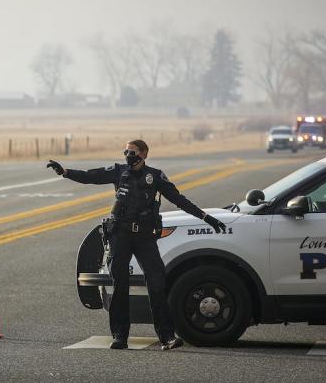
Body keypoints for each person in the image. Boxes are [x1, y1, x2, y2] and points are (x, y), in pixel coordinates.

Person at [46, 139, 226, 350]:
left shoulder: (156, 176)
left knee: (157, 282)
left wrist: (206, 217)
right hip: (120, 235)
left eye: (133, 152)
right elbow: (90, 177)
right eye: (126, 152)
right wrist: (65, 172)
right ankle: (120, 335)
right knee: (120, 283)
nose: (129, 156)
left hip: (144, 237)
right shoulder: (118, 171)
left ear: (144, 154)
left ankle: (167, 336)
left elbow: (179, 200)